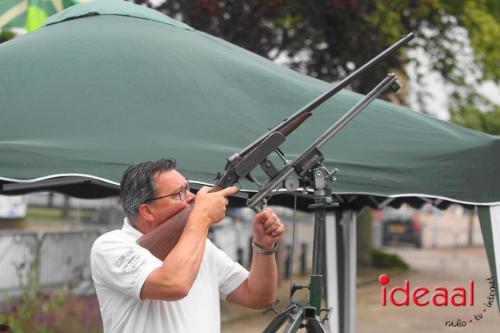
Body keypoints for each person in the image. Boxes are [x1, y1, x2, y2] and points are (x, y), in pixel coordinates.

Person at [90, 158, 285, 333]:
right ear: (147, 211)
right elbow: (175, 284)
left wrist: (264, 246)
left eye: (187, 188)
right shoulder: (110, 246)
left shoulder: (199, 244)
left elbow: (258, 296)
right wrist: (202, 217)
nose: (192, 197)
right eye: (179, 194)